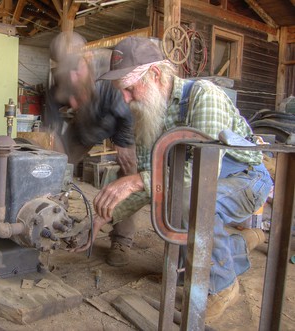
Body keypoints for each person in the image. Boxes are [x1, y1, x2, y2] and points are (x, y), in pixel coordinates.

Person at [73, 36, 273, 322]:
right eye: (122, 93)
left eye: (129, 89)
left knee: (191, 203)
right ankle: (241, 244)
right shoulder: (147, 116)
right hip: (200, 184)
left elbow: (202, 175)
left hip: (245, 179)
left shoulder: (205, 97)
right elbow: (151, 184)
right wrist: (101, 218)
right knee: (168, 209)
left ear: (155, 74)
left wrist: (133, 181)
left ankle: (224, 286)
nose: (126, 100)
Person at [43, 31, 139, 266]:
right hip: (86, 126)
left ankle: (122, 240)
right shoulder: (63, 75)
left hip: (120, 123)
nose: (72, 103)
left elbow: (126, 114)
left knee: (128, 175)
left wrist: (124, 144)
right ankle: (54, 220)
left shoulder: (109, 67)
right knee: (55, 165)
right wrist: (52, 137)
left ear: (83, 63)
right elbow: (52, 108)